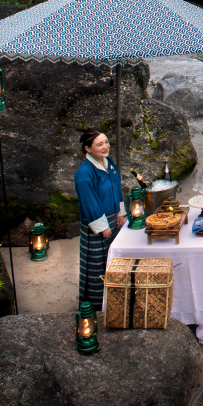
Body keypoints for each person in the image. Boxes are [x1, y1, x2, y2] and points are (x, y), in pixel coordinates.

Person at [74, 129, 125, 314]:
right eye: (99, 144)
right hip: (97, 223)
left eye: (106, 142)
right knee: (97, 265)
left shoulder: (108, 163)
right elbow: (90, 202)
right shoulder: (84, 173)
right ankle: (95, 306)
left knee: (112, 259)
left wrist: (120, 212)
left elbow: (116, 185)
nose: (105, 147)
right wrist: (102, 227)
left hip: (114, 219)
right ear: (87, 149)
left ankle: (114, 297)